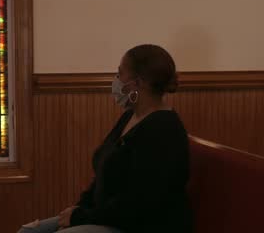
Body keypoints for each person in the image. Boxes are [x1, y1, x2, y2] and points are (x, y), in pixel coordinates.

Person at [18, 44, 192, 233]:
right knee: (29, 232)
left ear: (137, 83)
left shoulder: (163, 130)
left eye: (120, 74)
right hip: (107, 217)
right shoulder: (130, 116)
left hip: (140, 226)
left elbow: (138, 205)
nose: (116, 80)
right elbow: (104, 175)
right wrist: (80, 208)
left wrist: (81, 218)